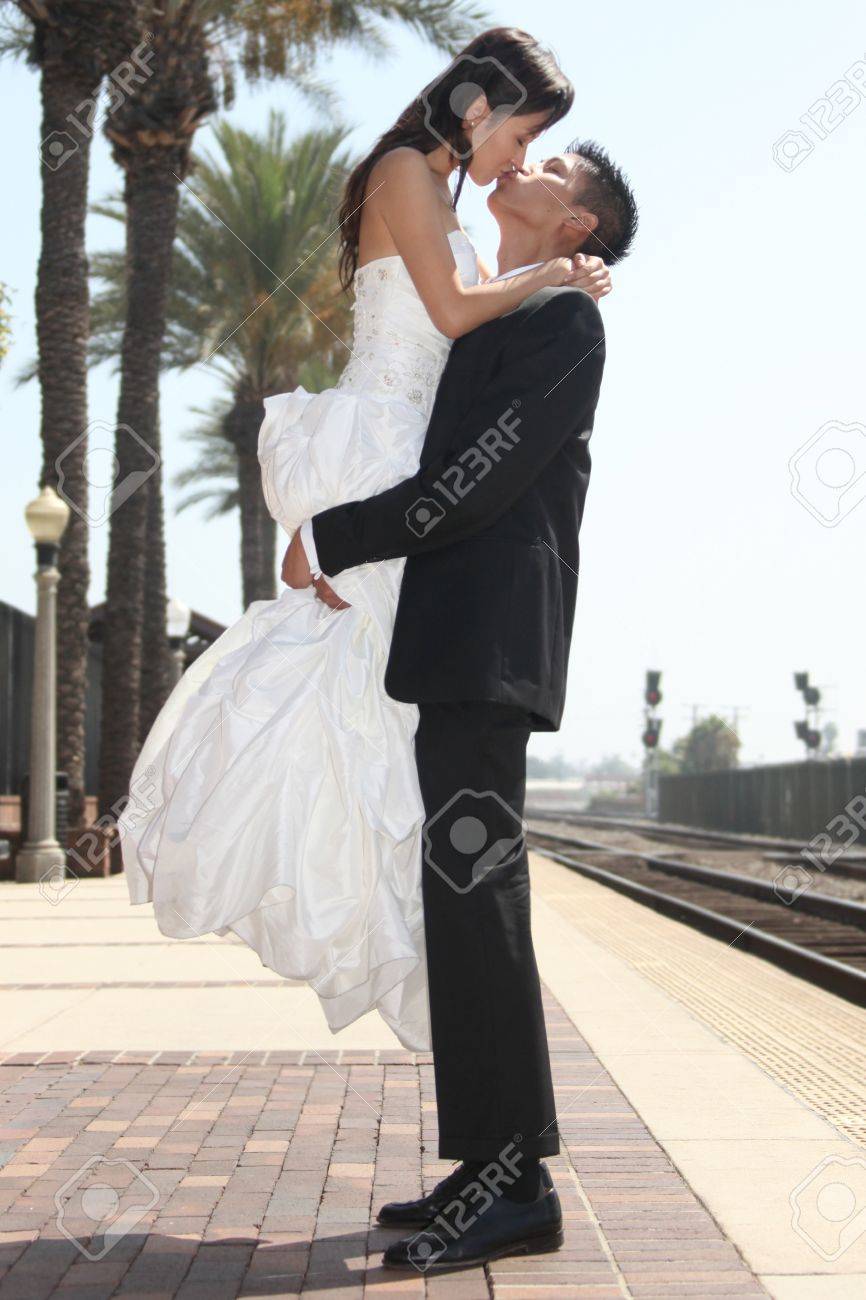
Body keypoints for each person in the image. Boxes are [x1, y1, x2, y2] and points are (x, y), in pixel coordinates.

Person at [119, 28, 607, 1053]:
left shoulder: (449, 204)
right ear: (477, 109)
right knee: (371, 743)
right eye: (520, 136)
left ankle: (472, 1072)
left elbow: (473, 332)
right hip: (384, 464)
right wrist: (551, 273)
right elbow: (446, 308)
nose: (515, 161)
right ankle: (473, 1073)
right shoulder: (404, 173)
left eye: (533, 153)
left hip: (407, 476)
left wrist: (554, 282)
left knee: (390, 759)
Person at [283, 139, 639, 1271]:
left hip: (490, 655)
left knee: (481, 902)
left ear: (574, 224)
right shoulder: (509, 315)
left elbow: (469, 487)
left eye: (552, 168)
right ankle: (482, 1164)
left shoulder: (565, 329)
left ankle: (515, 1182)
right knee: (460, 901)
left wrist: (330, 539)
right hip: (453, 654)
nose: (520, 166)